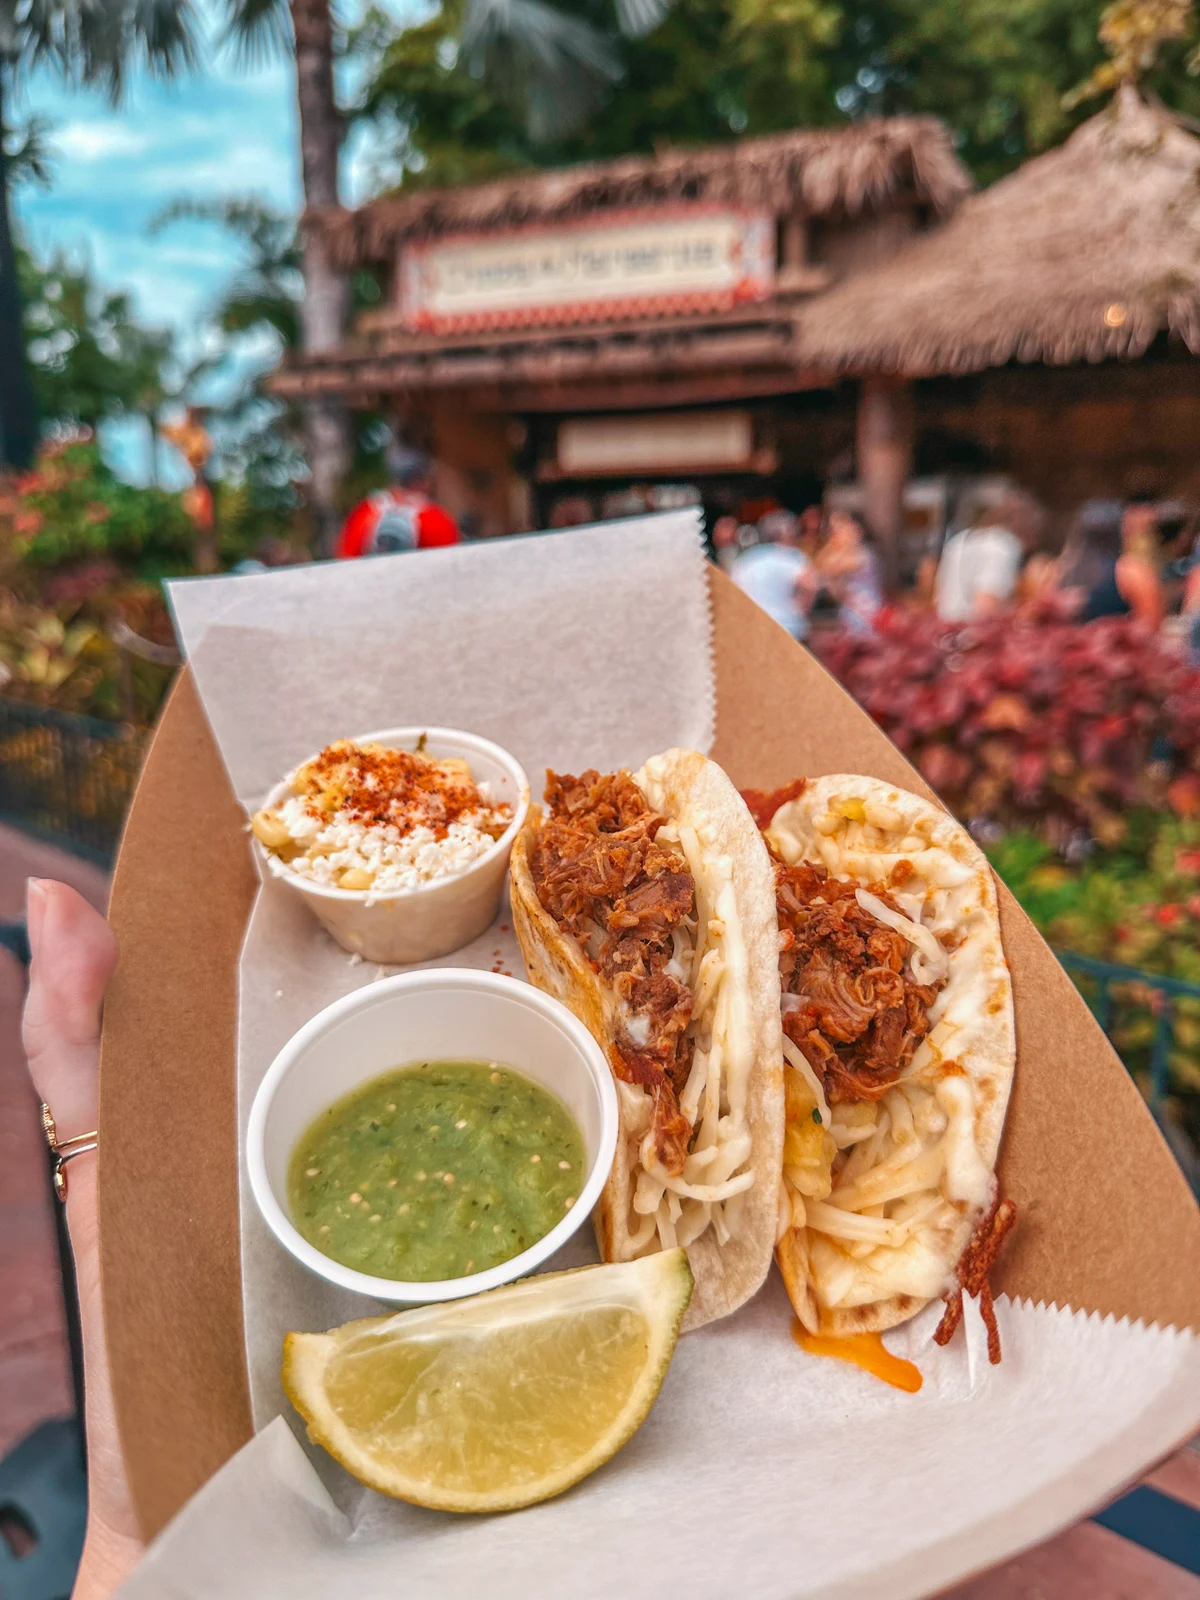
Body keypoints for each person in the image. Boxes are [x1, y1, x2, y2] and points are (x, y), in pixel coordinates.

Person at [335, 448, 460, 558]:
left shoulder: (366, 511)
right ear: (421, 481)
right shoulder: (431, 515)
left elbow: (345, 555)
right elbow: (451, 557)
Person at [1057, 498, 1164, 627]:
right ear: (1120, 531)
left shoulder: (1057, 572)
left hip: (1067, 644)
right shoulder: (1131, 573)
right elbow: (1152, 625)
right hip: (1117, 644)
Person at [934, 495, 1032, 621]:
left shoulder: (959, 540)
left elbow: (937, 597)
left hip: (945, 630)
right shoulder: (1003, 547)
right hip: (973, 635)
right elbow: (986, 606)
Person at [729, 510, 814, 641]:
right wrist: (799, 611)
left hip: (754, 626)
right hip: (788, 626)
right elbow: (809, 585)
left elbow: (734, 589)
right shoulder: (792, 557)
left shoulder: (746, 559)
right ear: (786, 534)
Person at [813, 510, 882, 634]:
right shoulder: (842, 552)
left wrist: (843, 542)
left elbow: (831, 567)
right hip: (850, 614)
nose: (837, 533)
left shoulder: (865, 553)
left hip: (867, 615)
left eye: (842, 528)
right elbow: (820, 566)